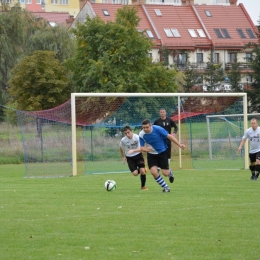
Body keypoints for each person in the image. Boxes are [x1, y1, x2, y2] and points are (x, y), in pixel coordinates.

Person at [129, 119, 185, 193]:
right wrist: (146, 149)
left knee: (165, 173)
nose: (145, 129)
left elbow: (169, 136)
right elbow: (142, 147)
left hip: (162, 152)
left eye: (147, 127)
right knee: (153, 171)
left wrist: (179, 144)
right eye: (144, 128)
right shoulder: (141, 134)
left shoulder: (158, 129)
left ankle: (170, 173)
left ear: (151, 126)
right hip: (152, 155)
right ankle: (166, 187)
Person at [119, 125, 148, 190]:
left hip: (138, 155)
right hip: (130, 158)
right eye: (125, 133)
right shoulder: (123, 140)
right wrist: (123, 157)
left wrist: (133, 150)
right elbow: (120, 148)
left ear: (132, 131)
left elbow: (142, 149)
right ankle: (143, 169)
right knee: (135, 173)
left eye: (128, 132)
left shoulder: (137, 137)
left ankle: (143, 186)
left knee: (142, 171)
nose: (127, 134)